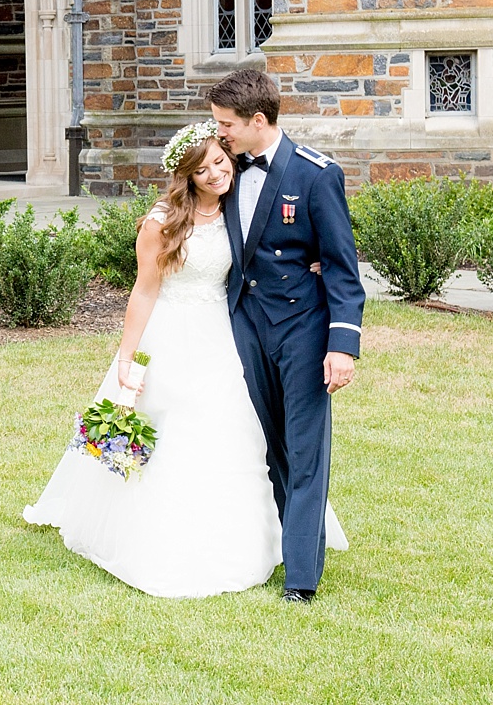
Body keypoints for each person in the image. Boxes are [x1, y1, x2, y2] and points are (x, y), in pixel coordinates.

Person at [23, 121, 346, 598]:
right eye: (203, 169)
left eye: (220, 161)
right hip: (172, 334)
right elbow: (144, 289)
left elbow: (282, 248)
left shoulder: (243, 206)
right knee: (171, 436)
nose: (216, 173)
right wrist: (127, 358)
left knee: (238, 433)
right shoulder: (163, 221)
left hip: (228, 335)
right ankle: (161, 540)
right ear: (186, 177)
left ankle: (252, 541)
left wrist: (312, 262)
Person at [208, 69, 365, 603]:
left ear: (258, 120)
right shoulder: (221, 168)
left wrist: (342, 346)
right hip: (243, 326)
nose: (219, 133)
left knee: (304, 451)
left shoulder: (316, 175)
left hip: (302, 330)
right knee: (266, 447)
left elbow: (343, 268)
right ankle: (272, 546)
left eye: (226, 124)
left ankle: (300, 577)